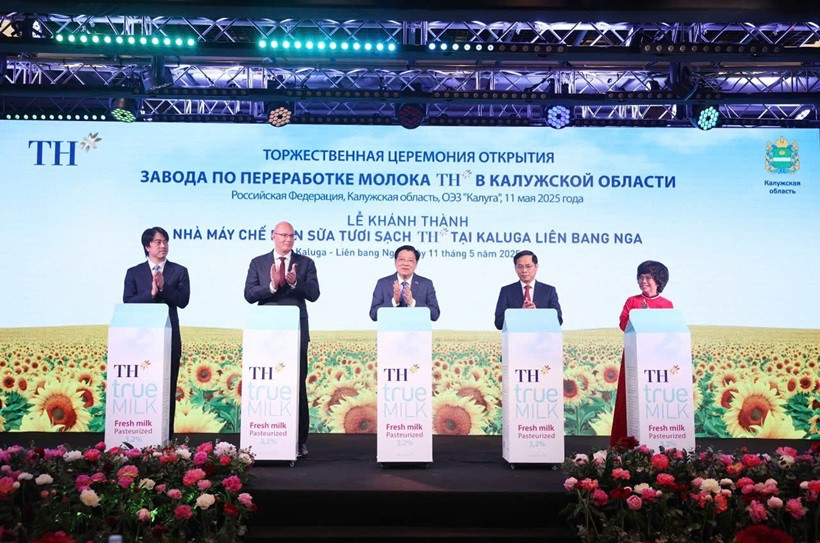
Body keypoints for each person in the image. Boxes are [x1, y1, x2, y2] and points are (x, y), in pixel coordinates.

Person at [244, 221, 320, 458]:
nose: (288, 239)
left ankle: (299, 441)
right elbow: (248, 294)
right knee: (268, 384)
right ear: (273, 236)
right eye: (283, 235)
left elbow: (314, 294)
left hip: (295, 332)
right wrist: (271, 285)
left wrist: (295, 283)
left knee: (297, 385)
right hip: (266, 334)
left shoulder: (306, 263)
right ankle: (265, 435)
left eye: (291, 236)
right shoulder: (258, 262)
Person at [123, 226, 190, 441]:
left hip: (169, 337)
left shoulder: (179, 271)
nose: (163, 246)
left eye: (166, 242)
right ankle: (140, 434)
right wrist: (151, 293)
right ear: (147, 246)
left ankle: (166, 437)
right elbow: (128, 301)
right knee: (143, 387)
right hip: (141, 340)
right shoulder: (134, 272)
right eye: (158, 242)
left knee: (167, 387)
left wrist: (164, 288)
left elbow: (183, 301)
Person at [609, 260, 673, 446]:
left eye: (647, 277)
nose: (643, 281)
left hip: (656, 359)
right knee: (628, 399)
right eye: (640, 277)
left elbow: (667, 331)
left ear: (658, 281)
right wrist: (640, 316)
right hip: (633, 357)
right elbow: (623, 324)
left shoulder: (666, 304)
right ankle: (623, 442)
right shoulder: (632, 301)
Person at [494, 250, 562, 330]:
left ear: (536, 267)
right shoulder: (506, 291)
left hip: (542, 340)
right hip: (516, 340)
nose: (524, 270)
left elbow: (558, 320)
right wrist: (521, 313)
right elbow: (498, 323)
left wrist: (537, 314)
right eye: (520, 266)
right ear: (515, 268)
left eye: (528, 266)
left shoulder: (549, 291)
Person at [369, 245, 440, 321]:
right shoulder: (382, 283)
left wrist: (412, 303)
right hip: (391, 332)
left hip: (417, 332)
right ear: (395, 262)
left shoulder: (426, 284)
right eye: (402, 259)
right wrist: (394, 301)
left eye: (410, 260)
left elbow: (435, 315)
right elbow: (373, 315)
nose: (405, 264)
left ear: (416, 264)